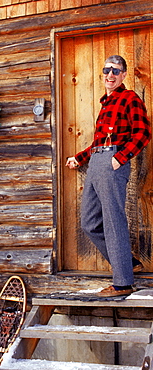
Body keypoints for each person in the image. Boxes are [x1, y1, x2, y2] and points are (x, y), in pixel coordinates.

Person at [66, 55, 152, 297]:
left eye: (116, 70)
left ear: (123, 75)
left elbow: (143, 133)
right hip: (97, 162)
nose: (110, 75)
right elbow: (98, 143)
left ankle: (123, 283)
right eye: (106, 70)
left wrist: (120, 158)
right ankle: (129, 262)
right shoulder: (106, 103)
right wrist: (80, 158)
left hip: (113, 162)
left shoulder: (129, 99)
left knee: (113, 220)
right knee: (90, 223)